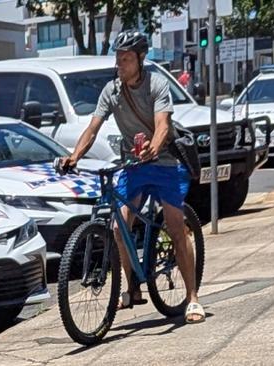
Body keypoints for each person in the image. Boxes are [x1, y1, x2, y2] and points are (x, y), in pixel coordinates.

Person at [59, 30, 205, 324]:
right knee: (117, 226)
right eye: (118, 59)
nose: (120, 65)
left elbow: (163, 125)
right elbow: (92, 128)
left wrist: (153, 147)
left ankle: (192, 298)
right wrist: (74, 156)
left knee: (176, 227)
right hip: (133, 164)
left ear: (140, 59)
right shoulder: (111, 91)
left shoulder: (157, 85)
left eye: (126, 59)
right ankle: (132, 288)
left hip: (163, 163)